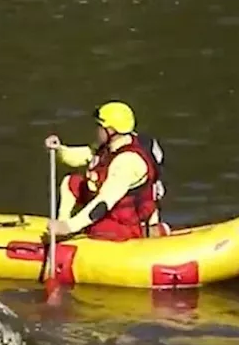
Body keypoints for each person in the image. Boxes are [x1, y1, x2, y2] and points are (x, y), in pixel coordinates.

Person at [44, 100, 168, 241]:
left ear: (110, 130)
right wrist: (59, 149)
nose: (96, 130)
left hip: (127, 219)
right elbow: (82, 155)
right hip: (111, 209)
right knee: (73, 182)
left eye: (99, 126)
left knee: (100, 230)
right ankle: (60, 229)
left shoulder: (127, 161)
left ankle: (150, 231)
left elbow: (104, 202)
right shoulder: (109, 145)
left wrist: (70, 227)